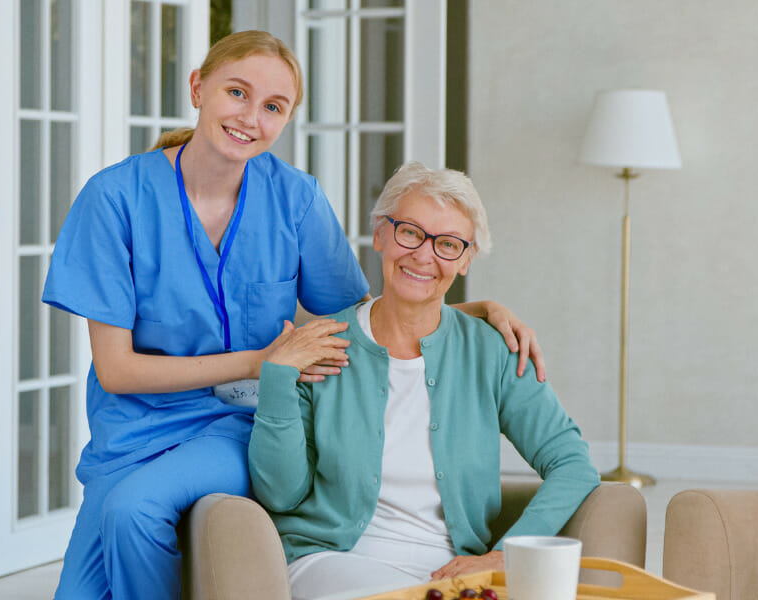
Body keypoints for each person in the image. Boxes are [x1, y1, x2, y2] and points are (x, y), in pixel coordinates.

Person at [43, 31, 545, 600]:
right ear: (198, 88)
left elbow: (363, 317)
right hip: (130, 430)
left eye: (273, 107)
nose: (250, 117)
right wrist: (260, 361)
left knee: (135, 510)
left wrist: (474, 309)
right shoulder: (113, 200)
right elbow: (117, 372)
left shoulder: (296, 198)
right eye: (237, 92)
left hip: (240, 425)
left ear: (285, 120)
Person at [248, 162, 601, 600]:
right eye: (410, 232)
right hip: (332, 561)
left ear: (467, 259)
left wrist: (504, 555)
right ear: (380, 234)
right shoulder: (319, 345)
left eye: (448, 244)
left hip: (451, 574)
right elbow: (280, 495)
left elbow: (572, 463)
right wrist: (278, 380)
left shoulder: (491, 350)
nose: (424, 255)